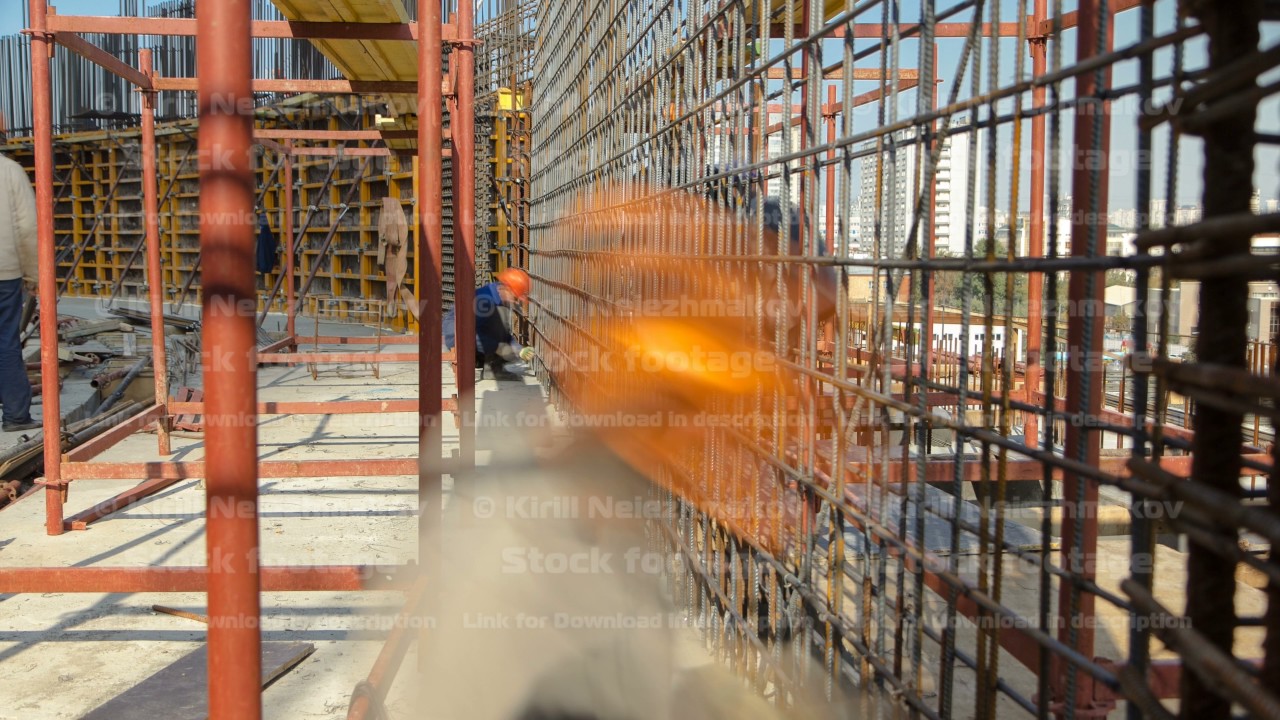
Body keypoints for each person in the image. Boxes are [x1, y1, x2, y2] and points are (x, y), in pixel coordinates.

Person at [0, 148, 39, 432]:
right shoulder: (10, 170)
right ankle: (15, 416)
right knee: (6, 343)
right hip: (5, 272)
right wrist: (34, 273)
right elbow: (27, 227)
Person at [444, 268, 535, 382]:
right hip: (457, 338)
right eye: (516, 298)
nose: (516, 302)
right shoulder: (486, 302)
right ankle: (491, 370)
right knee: (500, 316)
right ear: (505, 289)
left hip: (472, 339)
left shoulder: (496, 295)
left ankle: (483, 362)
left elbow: (502, 333)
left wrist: (518, 349)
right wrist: (499, 348)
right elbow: (470, 334)